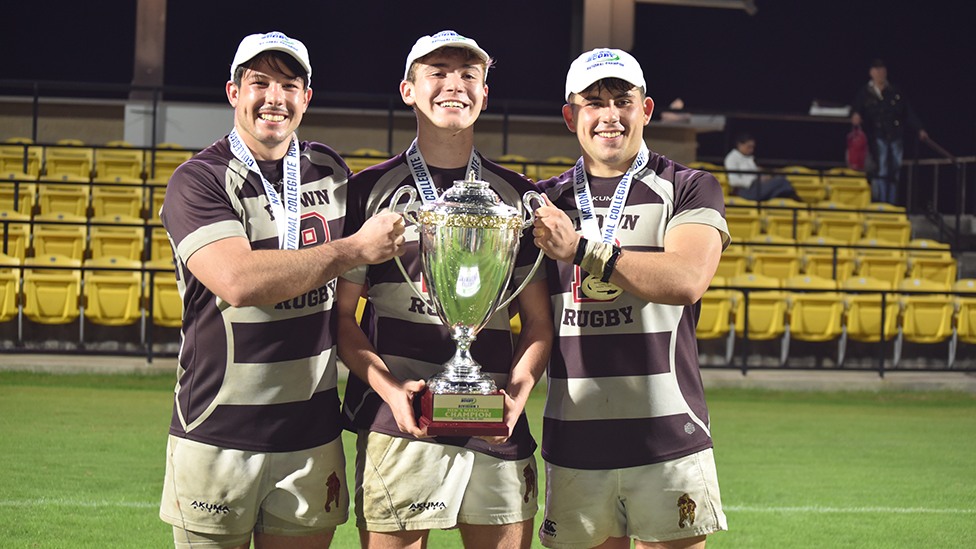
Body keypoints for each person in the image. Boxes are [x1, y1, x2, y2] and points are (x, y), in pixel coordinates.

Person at [157, 31, 407, 549]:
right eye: (260, 82)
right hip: (215, 432)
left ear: (306, 98)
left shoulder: (332, 172)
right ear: (233, 93)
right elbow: (239, 281)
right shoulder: (199, 180)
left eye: (289, 84)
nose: (275, 97)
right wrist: (352, 250)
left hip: (311, 437)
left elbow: (348, 308)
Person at [336, 30, 553, 548]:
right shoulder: (368, 190)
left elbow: (539, 325)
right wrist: (392, 393)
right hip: (398, 422)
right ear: (408, 89)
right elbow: (341, 319)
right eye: (437, 72)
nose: (453, 85)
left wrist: (517, 398)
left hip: (496, 421)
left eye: (468, 75)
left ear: (484, 93)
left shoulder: (520, 198)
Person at [531, 48, 730, 548]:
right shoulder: (544, 203)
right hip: (575, 441)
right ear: (570, 115)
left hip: (668, 438)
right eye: (593, 102)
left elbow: (686, 279)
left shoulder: (688, 187)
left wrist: (580, 248)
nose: (610, 115)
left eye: (623, 100)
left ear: (646, 108)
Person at [851, 58, 928, 205]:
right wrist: (855, 114)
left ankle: (891, 202)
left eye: (882, 70)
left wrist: (919, 128)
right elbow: (857, 108)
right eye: (877, 70)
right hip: (876, 136)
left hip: (895, 135)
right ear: (871, 73)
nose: (880, 74)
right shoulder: (865, 92)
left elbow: (907, 112)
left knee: (894, 170)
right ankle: (881, 202)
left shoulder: (894, 91)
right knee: (881, 170)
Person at [723, 132, 799, 201]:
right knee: (782, 181)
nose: (751, 150)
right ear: (740, 145)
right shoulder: (732, 158)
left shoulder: (749, 158)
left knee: (779, 186)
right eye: (749, 147)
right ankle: (797, 200)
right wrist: (754, 181)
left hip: (758, 186)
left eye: (753, 147)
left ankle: (788, 201)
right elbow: (733, 181)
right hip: (746, 190)